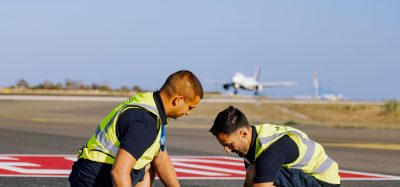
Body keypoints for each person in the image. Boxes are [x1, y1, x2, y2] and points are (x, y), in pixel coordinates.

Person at [69, 70, 203, 187]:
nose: (188, 112)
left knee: (149, 162)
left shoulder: (152, 104)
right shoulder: (146, 121)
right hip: (94, 177)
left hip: (92, 170)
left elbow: (161, 157)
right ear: (178, 99)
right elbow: (119, 172)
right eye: (190, 107)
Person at [209, 106, 340, 187]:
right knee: (255, 175)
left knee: (255, 174)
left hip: (323, 183)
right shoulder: (251, 142)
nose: (227, 150)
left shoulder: (269, 150)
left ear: (243, 134)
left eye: (229, 145)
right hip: (307, 178)